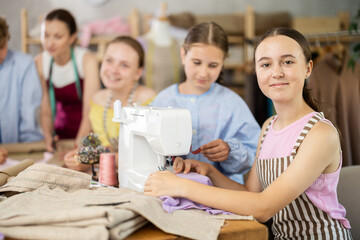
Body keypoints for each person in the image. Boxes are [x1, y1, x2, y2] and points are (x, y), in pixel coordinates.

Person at [144, 27, 352, 238]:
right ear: (257, 71)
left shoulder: (320, 134)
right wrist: (209, 171)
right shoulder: (269, 126)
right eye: (266, 64)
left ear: (308, 68)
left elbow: (262, 208)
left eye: (287, 62)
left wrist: (181, 186)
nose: (276, 72)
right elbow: (251, 194)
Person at [151, 22, 260, 184]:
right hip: (174, 189)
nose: (203, 73)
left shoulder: (232, 103)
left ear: (223, 62)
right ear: (183, 55)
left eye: (213, 65)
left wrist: (229, 151)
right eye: (196, 62)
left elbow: (254, 153)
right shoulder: (163, 100)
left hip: (221, 192)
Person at [63, 36, 156, 171]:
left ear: (138, 73)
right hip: (104, 175)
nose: (113, 70)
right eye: (109, 60)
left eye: (124, 65)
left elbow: (147, 155)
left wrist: (92, 158)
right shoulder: (96, 101)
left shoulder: (149, 101)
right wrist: (75, 158)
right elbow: (82, 143)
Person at [35, 9, 100, 152]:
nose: (50, 43)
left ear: (72, 38)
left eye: (58, 36)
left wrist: (80, 144)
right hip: (59, 136)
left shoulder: (86, 60)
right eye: (45, 35)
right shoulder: (40, 62)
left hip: (87, 134)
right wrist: (48, 136)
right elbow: (45, 109)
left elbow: (90, 109)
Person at [0, 17, 43, 149]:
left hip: (16, 151)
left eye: (2, 47)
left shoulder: (24, 64)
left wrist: (31, 149)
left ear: (7, 39)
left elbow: (30, 119)